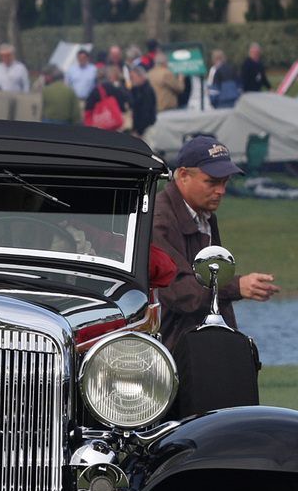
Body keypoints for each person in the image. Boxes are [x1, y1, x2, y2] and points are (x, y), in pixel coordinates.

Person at [152, 135, 279, 349]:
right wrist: (236, 286)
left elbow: (210, 282)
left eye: (224, 182)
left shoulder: (205, 215)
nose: (221, 191)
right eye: (212, 182)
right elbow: (180, 293)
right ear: (183, 175)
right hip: (170, 353)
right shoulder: (159, 220)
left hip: (200, 345)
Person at [82, 65, 129, 129]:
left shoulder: (95, 91)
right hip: (115, 121)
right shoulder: (114, 87)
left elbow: (88, 109)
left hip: (102, 125)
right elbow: (122, 102)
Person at [128, 64, 157, 137]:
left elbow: (146, 111)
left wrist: (140, 130)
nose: (132, 80)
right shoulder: (136, 90)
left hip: (146, 128)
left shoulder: (147, 91)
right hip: (139, 127)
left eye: (134, 77)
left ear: (141, 76)